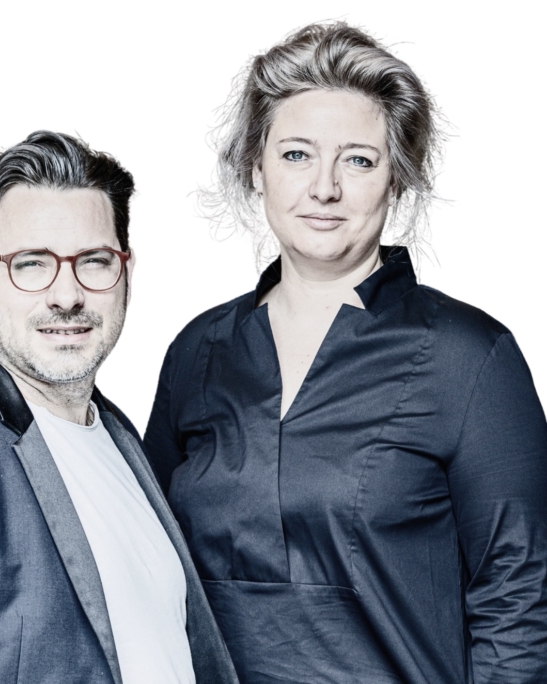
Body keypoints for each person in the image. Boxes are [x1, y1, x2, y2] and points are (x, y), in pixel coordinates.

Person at [144, 23, 547, 684]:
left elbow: (520, 599)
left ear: (396, 181)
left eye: (358, 160)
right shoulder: (197, 353)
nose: (323, 188)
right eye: (296, 155)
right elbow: (151, 569)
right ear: (256, 168)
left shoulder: (469, 358)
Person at [0, 131, 238, 684]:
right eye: (31, 264)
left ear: (126, 274)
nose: (67, 295)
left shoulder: (117, 435)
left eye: (94, 261)